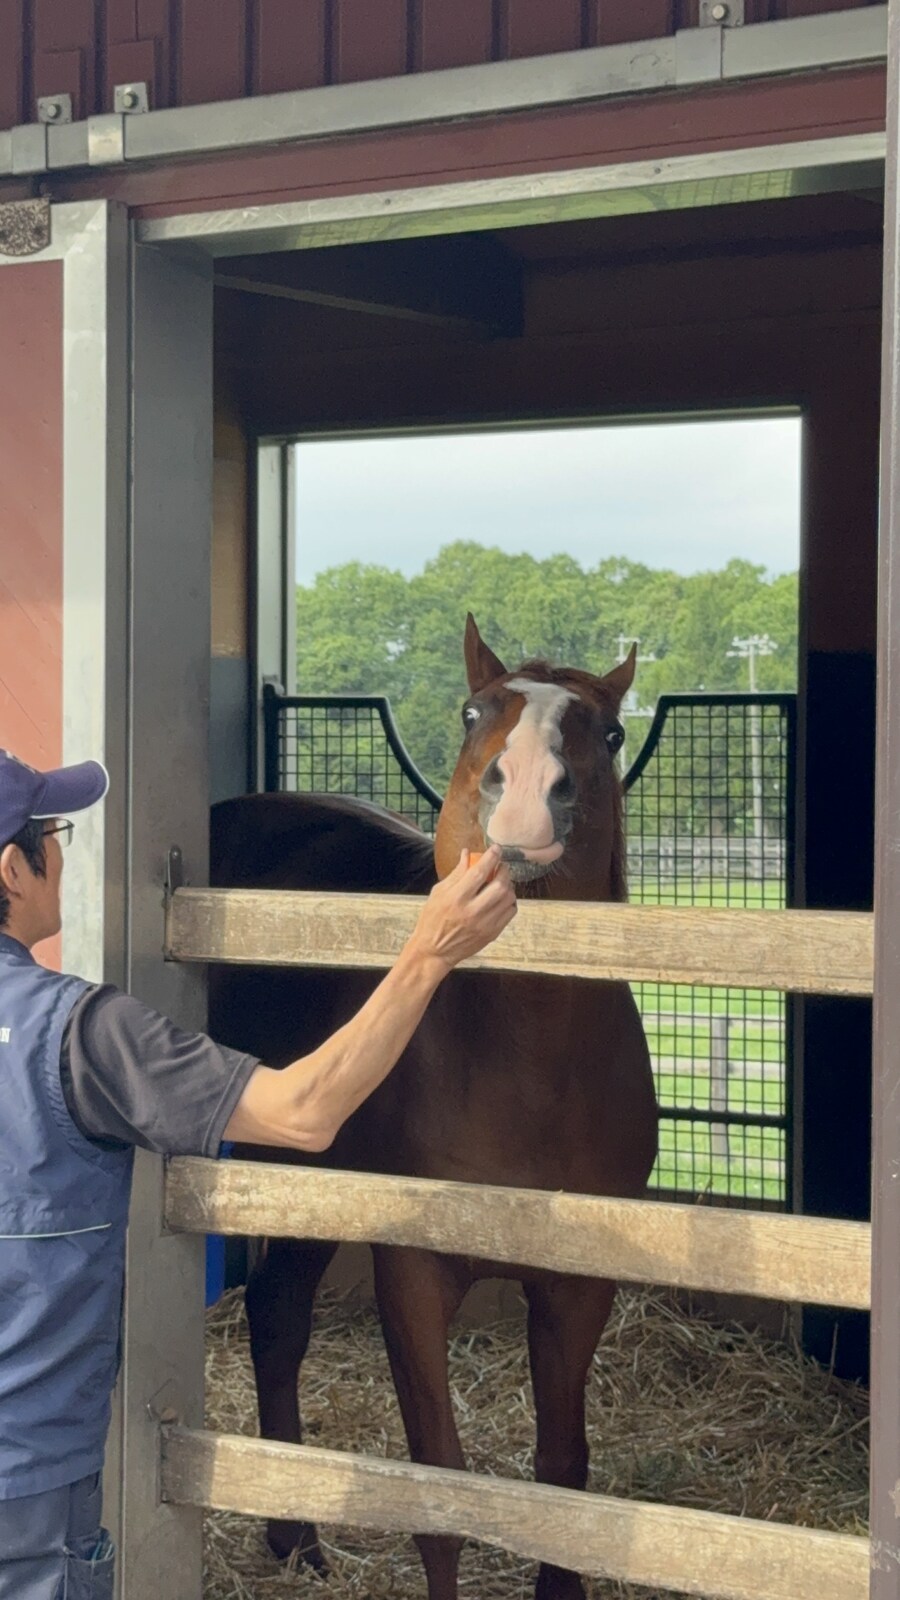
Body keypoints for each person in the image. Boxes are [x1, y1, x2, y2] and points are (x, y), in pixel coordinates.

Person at [0, 748, 516, 1600]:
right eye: (53, 834)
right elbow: (301, 1112)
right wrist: (427, 952)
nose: (65, 852)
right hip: (27, 1487)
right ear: (11, 869)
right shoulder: (83, 1036)